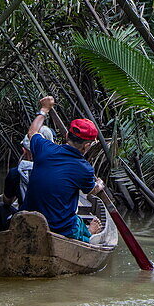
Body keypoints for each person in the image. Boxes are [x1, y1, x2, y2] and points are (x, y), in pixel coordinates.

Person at [21, 95, 105, 242]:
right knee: (77, 223)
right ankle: (88, 233)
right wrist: (98, 185)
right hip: (61, 229)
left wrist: (44, 109)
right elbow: (90, 190)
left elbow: (32, 132)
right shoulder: (85, 169)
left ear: (66, 135)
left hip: (29, 222)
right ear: (86, 146)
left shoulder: (44, 148)